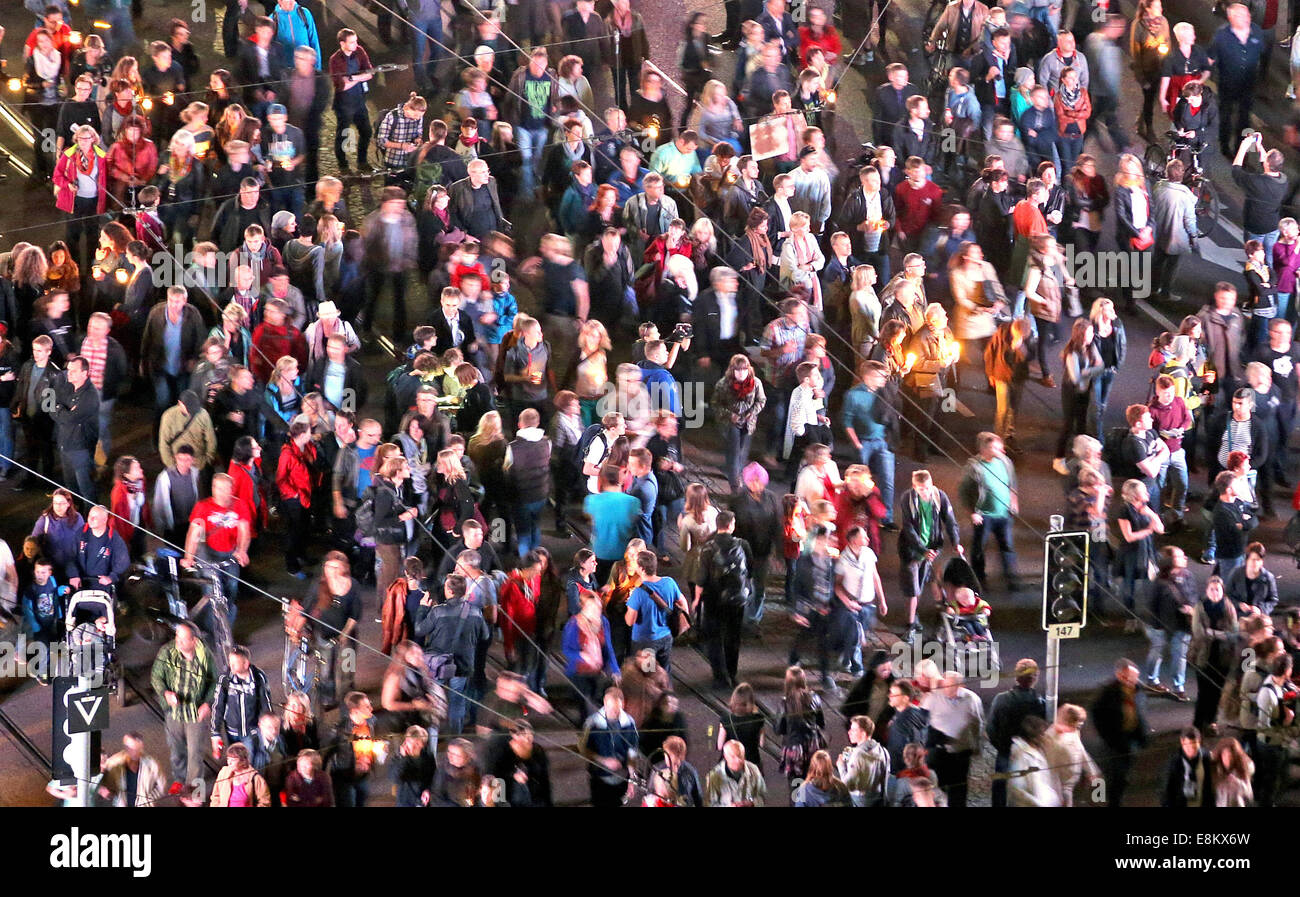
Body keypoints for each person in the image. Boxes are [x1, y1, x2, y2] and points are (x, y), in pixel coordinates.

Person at [150, 621, 217, 789]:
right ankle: (180, 780)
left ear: (194, 641)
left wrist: (208, 703)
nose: (178, 642)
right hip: (174, 711)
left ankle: (195, 791)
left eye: (183, 639)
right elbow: (156, 677)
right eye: (177, 638)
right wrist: (165, 693)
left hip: (195, 712)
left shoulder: (204, 655)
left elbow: (214, 682)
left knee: (195, 754)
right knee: (177, 751)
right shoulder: (167, 652)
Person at [897, 469, 963, 633]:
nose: (925, 492)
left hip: (931, 549)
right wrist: (922, 549)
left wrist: (956, 542)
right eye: (921, 489)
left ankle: (913, 616)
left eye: (927, 487)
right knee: (913, 588)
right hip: (912, 550)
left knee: (919, 584)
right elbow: (908, 528)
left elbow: (950, 521)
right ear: (914, 487)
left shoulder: (939, 497)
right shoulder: (908, 499)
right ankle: (910, 624)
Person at [986, 658, 1046, 807]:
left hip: (1006, 750)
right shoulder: (1041, 703)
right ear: (1035, 679)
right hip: (1031, 753)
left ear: (1017, 677)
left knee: (1001, 789)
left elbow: (991, 728)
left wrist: (1001, 745)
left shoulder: (1002, 699)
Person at [1091, 658, 1150, 807]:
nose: (1133, 681)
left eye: (1135, 677)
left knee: (1123, 775)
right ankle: (1108, 801)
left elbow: (1138, 713)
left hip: (1129, 740)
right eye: (1129, 678)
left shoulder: (1137, 690)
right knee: (1114, 775)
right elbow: (1097, 714)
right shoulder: (1107, 693)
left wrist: (1142, 735)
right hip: (1113, 742)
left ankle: (1115, 796)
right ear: (1119, 676)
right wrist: (1107, 736)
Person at [579, 687, 638, 808]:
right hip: (600, 777)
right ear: (605, 702)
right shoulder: (592, 723)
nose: (614, 713)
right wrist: (603, 760)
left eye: (617, 710)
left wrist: (632, 779)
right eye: (611, 709)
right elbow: (583, 749)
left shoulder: (629, 723)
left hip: (622, 777)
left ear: (623, 705)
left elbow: (632, 751)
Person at [1007, 716, 1063, 807]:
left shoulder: (1038, 749)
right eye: (1043, 734)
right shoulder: (1022, 756)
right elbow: (1016, 788)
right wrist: (1039, 804)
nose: (1047, 737)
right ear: (1034, 737)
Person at [1162, 725, 1212, 807]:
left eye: (1195, 744)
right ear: (1182, 742)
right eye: (1188, 744)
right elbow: (1166, 792)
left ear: (1199, 741)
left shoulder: (1205, 758)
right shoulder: (1174, 762)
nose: (1192, 749)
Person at [705, 739, 767, 806]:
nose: (738, 760)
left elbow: (762, 796)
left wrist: (752, 803)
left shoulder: (754, 770)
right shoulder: (714, 776)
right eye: (733, 756)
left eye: (740, 756)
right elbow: (710, 804)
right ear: (725, 756)